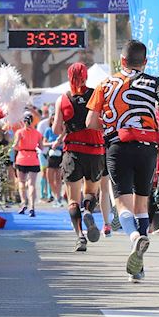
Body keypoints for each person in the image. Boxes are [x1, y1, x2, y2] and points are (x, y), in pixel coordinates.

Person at [88, 40, 159, 281]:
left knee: (122, 204)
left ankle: (135, 238)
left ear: (122, 61)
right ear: (145, 62)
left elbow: (90, 122)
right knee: (142, 204)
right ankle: (138, 269)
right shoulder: (154, 82)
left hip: (118, 145)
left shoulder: (105, 84)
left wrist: (110, 123)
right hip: (148, 147)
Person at [54, 62, 106, 251]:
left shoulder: (63, 99)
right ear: (86, 76)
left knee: (72, 199)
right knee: (91, 192)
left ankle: (80, 236)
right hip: (95, 150)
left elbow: (56, 129)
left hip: (73, 151)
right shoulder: (96, 94)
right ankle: (87, 210)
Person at [13, 112, 43, 217]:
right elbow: (41, 147)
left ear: (23, 121)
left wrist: (19, 148)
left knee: (21, 182)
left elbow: (15, 145)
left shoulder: (19, 132)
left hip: (22, 157)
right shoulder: (38, 133)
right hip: (33, 158)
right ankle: (32, 206)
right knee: (32, 184)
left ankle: (23, 202)